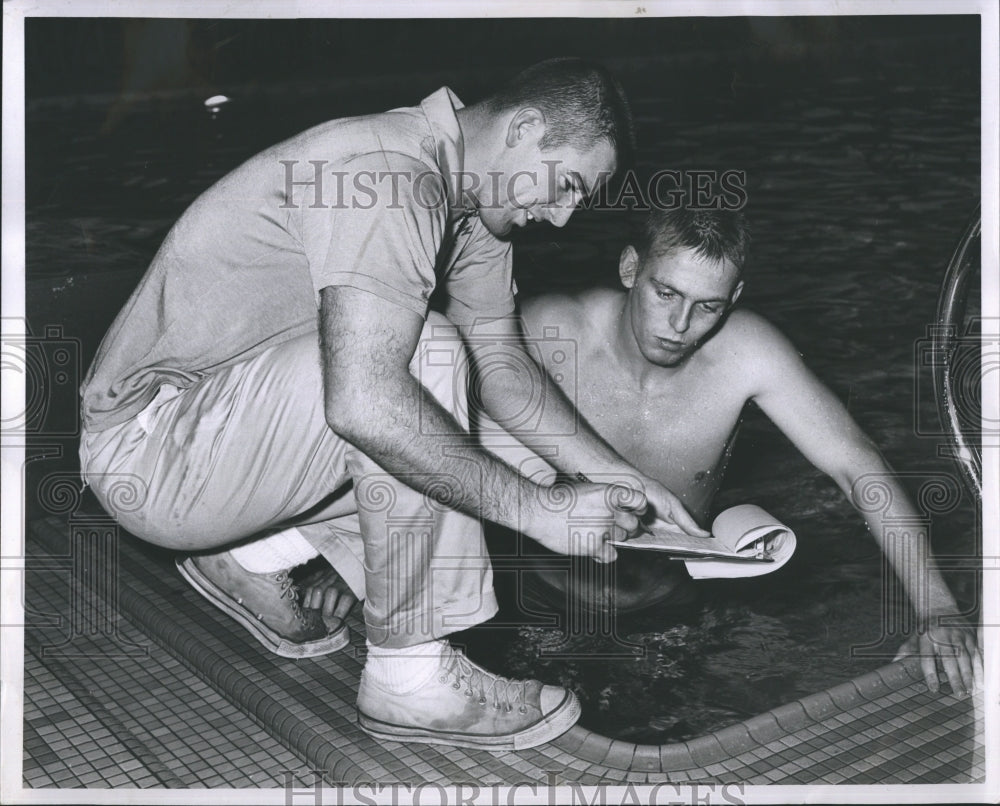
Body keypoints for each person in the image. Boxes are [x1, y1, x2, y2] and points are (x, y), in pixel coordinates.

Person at [78, 59, 707, 752]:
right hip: (149, 453)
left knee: (508, 439)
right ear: (525, 128)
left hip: (225, 436)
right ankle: (411, 680)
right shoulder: (387, 172)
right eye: (566, 186)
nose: (560, 217)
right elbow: (364, 399)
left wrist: (618, 477)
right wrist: (536, 511)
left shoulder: (471, 203)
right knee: (423, 360)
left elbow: (502, 368)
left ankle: (255, 553)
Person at [501, 203, 980, 697]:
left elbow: (857, 465)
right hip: (540, 602)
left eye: (708, 306)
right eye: (665, 293)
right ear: (630, 268)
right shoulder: (548, 331)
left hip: (668, 611)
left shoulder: (748, 354)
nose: (679, 324)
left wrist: (937, 609)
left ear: (734, 298)